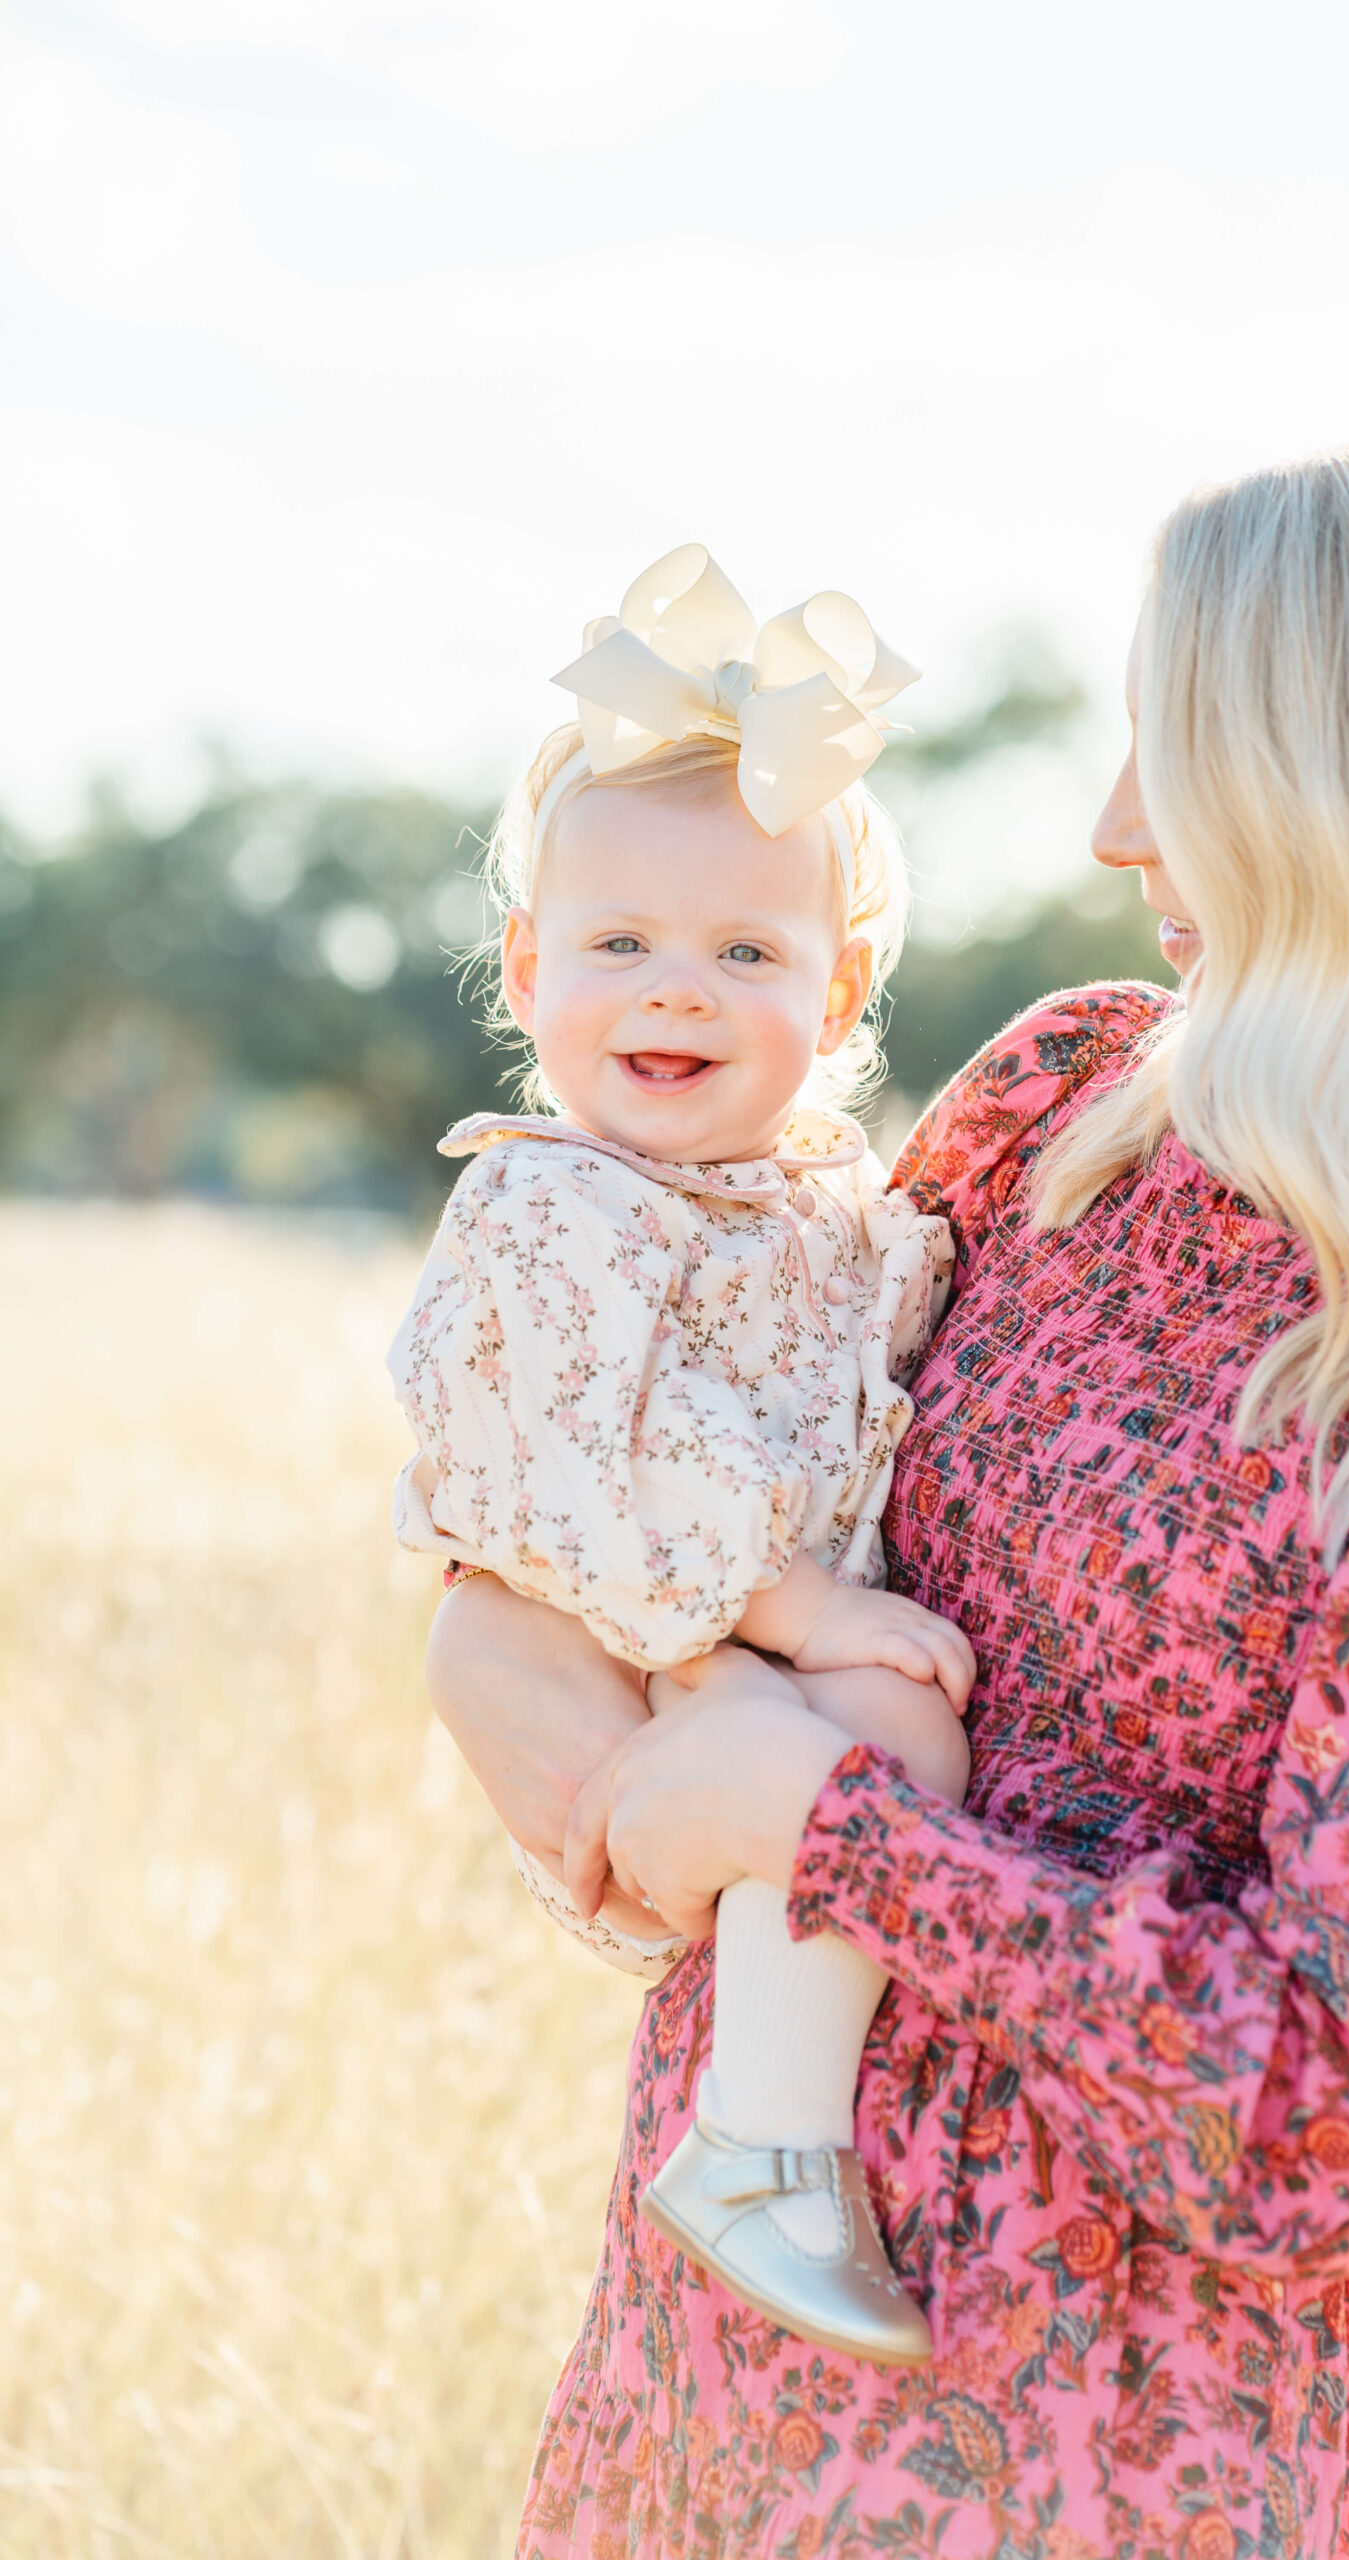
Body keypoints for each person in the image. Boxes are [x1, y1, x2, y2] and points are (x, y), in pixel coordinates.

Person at [430, 432, 1349, 2560]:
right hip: (703, 2365)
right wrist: (505, 1634)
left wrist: (831, 1828)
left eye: (1167, 748)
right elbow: (740, 1469)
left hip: (1080, 2449)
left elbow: (1347, 2123)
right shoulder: (1058, 1107)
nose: (1112, 822)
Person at [388, 546, 972, 2366]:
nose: (677, 993)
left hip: (723, 1637)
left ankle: (771, 2125)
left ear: (845, 978)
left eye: (747, 951)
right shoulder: (556, 1208)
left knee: (890, 1746)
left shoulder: (809, 1198)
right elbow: (567, 1476)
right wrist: (792, 1607)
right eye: (619, 946)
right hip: (636, 1622)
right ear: (527, 961)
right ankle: (767, 2144)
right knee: (873, 1743)